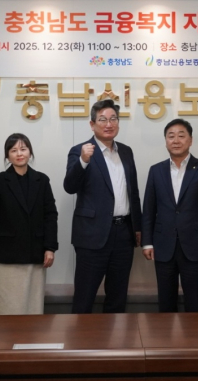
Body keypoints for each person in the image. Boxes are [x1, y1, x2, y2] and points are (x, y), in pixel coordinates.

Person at [63, 99, 142, 314]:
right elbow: (69, 187)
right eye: (103, 120)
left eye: (113, 119)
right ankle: (80, 335)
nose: (109, 124)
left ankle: (115, 335)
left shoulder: (126, 151)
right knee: (85, 297)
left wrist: (137, 227)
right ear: (92, 124)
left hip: (123, 234)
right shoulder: (79, 151)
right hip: (92, 235)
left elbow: (133, 192)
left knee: (117, 297)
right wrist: (83, 161)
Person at [142, 119, 198, 312]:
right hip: (163, 245)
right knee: (166, 302)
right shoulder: (156, 170)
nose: (176, 140)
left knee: (194, 303)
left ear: (190, 140)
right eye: (171, 136)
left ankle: (193, 333)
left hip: (195, 245)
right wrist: (147, 242)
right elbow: (149, 209)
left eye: (181, 136)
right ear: (166, 141)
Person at [0, 133, 58, 315]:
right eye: (13, 150)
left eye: (23, 149)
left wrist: (50, 248)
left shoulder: (42, 180)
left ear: (30, 152)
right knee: (9, 306)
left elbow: (50, 215)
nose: (19, 153)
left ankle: (32, 335)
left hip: (36, 251)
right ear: (7, 155)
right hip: (9, 254)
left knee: (33, 305)